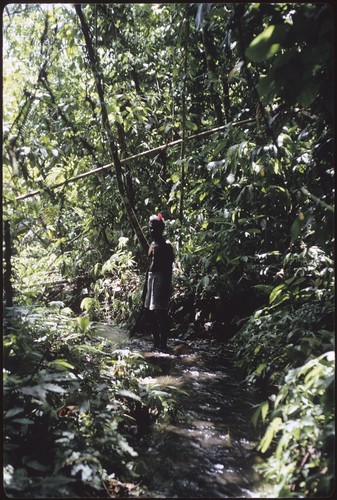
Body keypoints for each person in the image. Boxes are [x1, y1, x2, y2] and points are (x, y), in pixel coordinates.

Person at [144, 213, 174, 351]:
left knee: (160, 312)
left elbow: (169, 269)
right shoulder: (152, 244)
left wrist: (167, 287)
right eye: (150, 228)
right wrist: (145, 288)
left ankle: (163, 344)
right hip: (151, 278)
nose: (152, 231)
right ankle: (156, 342)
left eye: (154, 228)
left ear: (161, 229)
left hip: (161, 279)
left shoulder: (166, 246)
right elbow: (149, 267)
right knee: (149, 312)